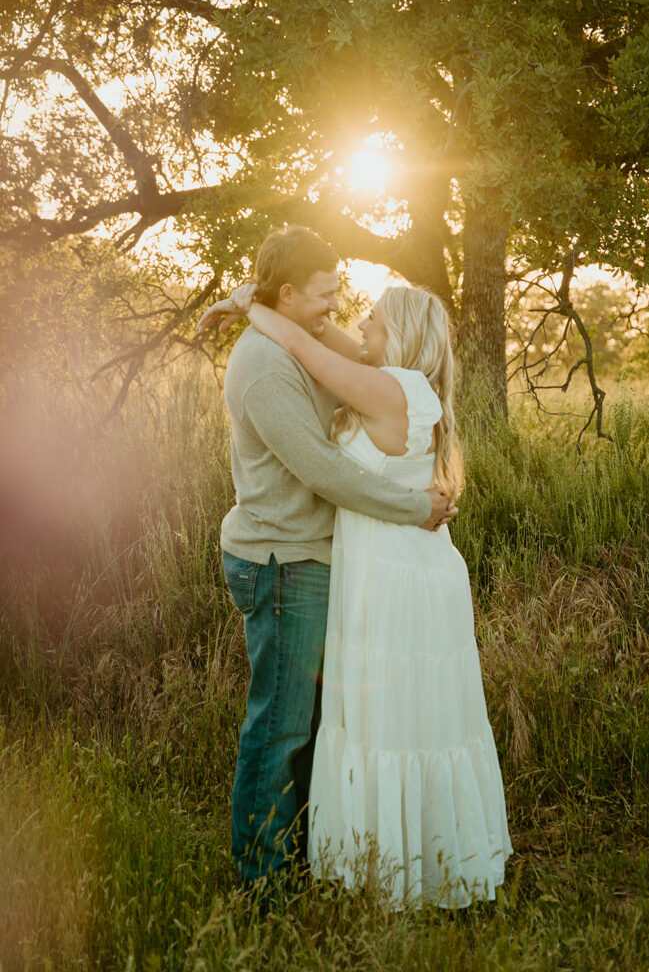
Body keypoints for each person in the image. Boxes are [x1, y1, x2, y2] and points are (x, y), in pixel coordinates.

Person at [218, 279, 512, 910]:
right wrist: (272, 293)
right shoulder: (396, 379)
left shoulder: (390, 386)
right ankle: (408, 862)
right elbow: (323, 334)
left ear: (398, 332)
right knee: (400, 720)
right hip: (396, 568)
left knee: (399, 724)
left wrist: (253, 306)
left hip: (396, 573)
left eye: (372, 317)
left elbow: (306, 340)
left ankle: (402, 872)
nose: (359, 323)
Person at [197, 226, 457, 893]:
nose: (336, 303)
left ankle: (304, 860)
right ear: (288, 294)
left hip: (314, 558)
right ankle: (262, 883)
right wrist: (412, 508)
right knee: (280, 727)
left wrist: (247, 299)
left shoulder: (301, 341)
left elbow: (343, 365)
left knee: (311, 725)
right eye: (324, 292)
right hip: (280, 560)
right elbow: (318, 468)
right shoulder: (261, 365)